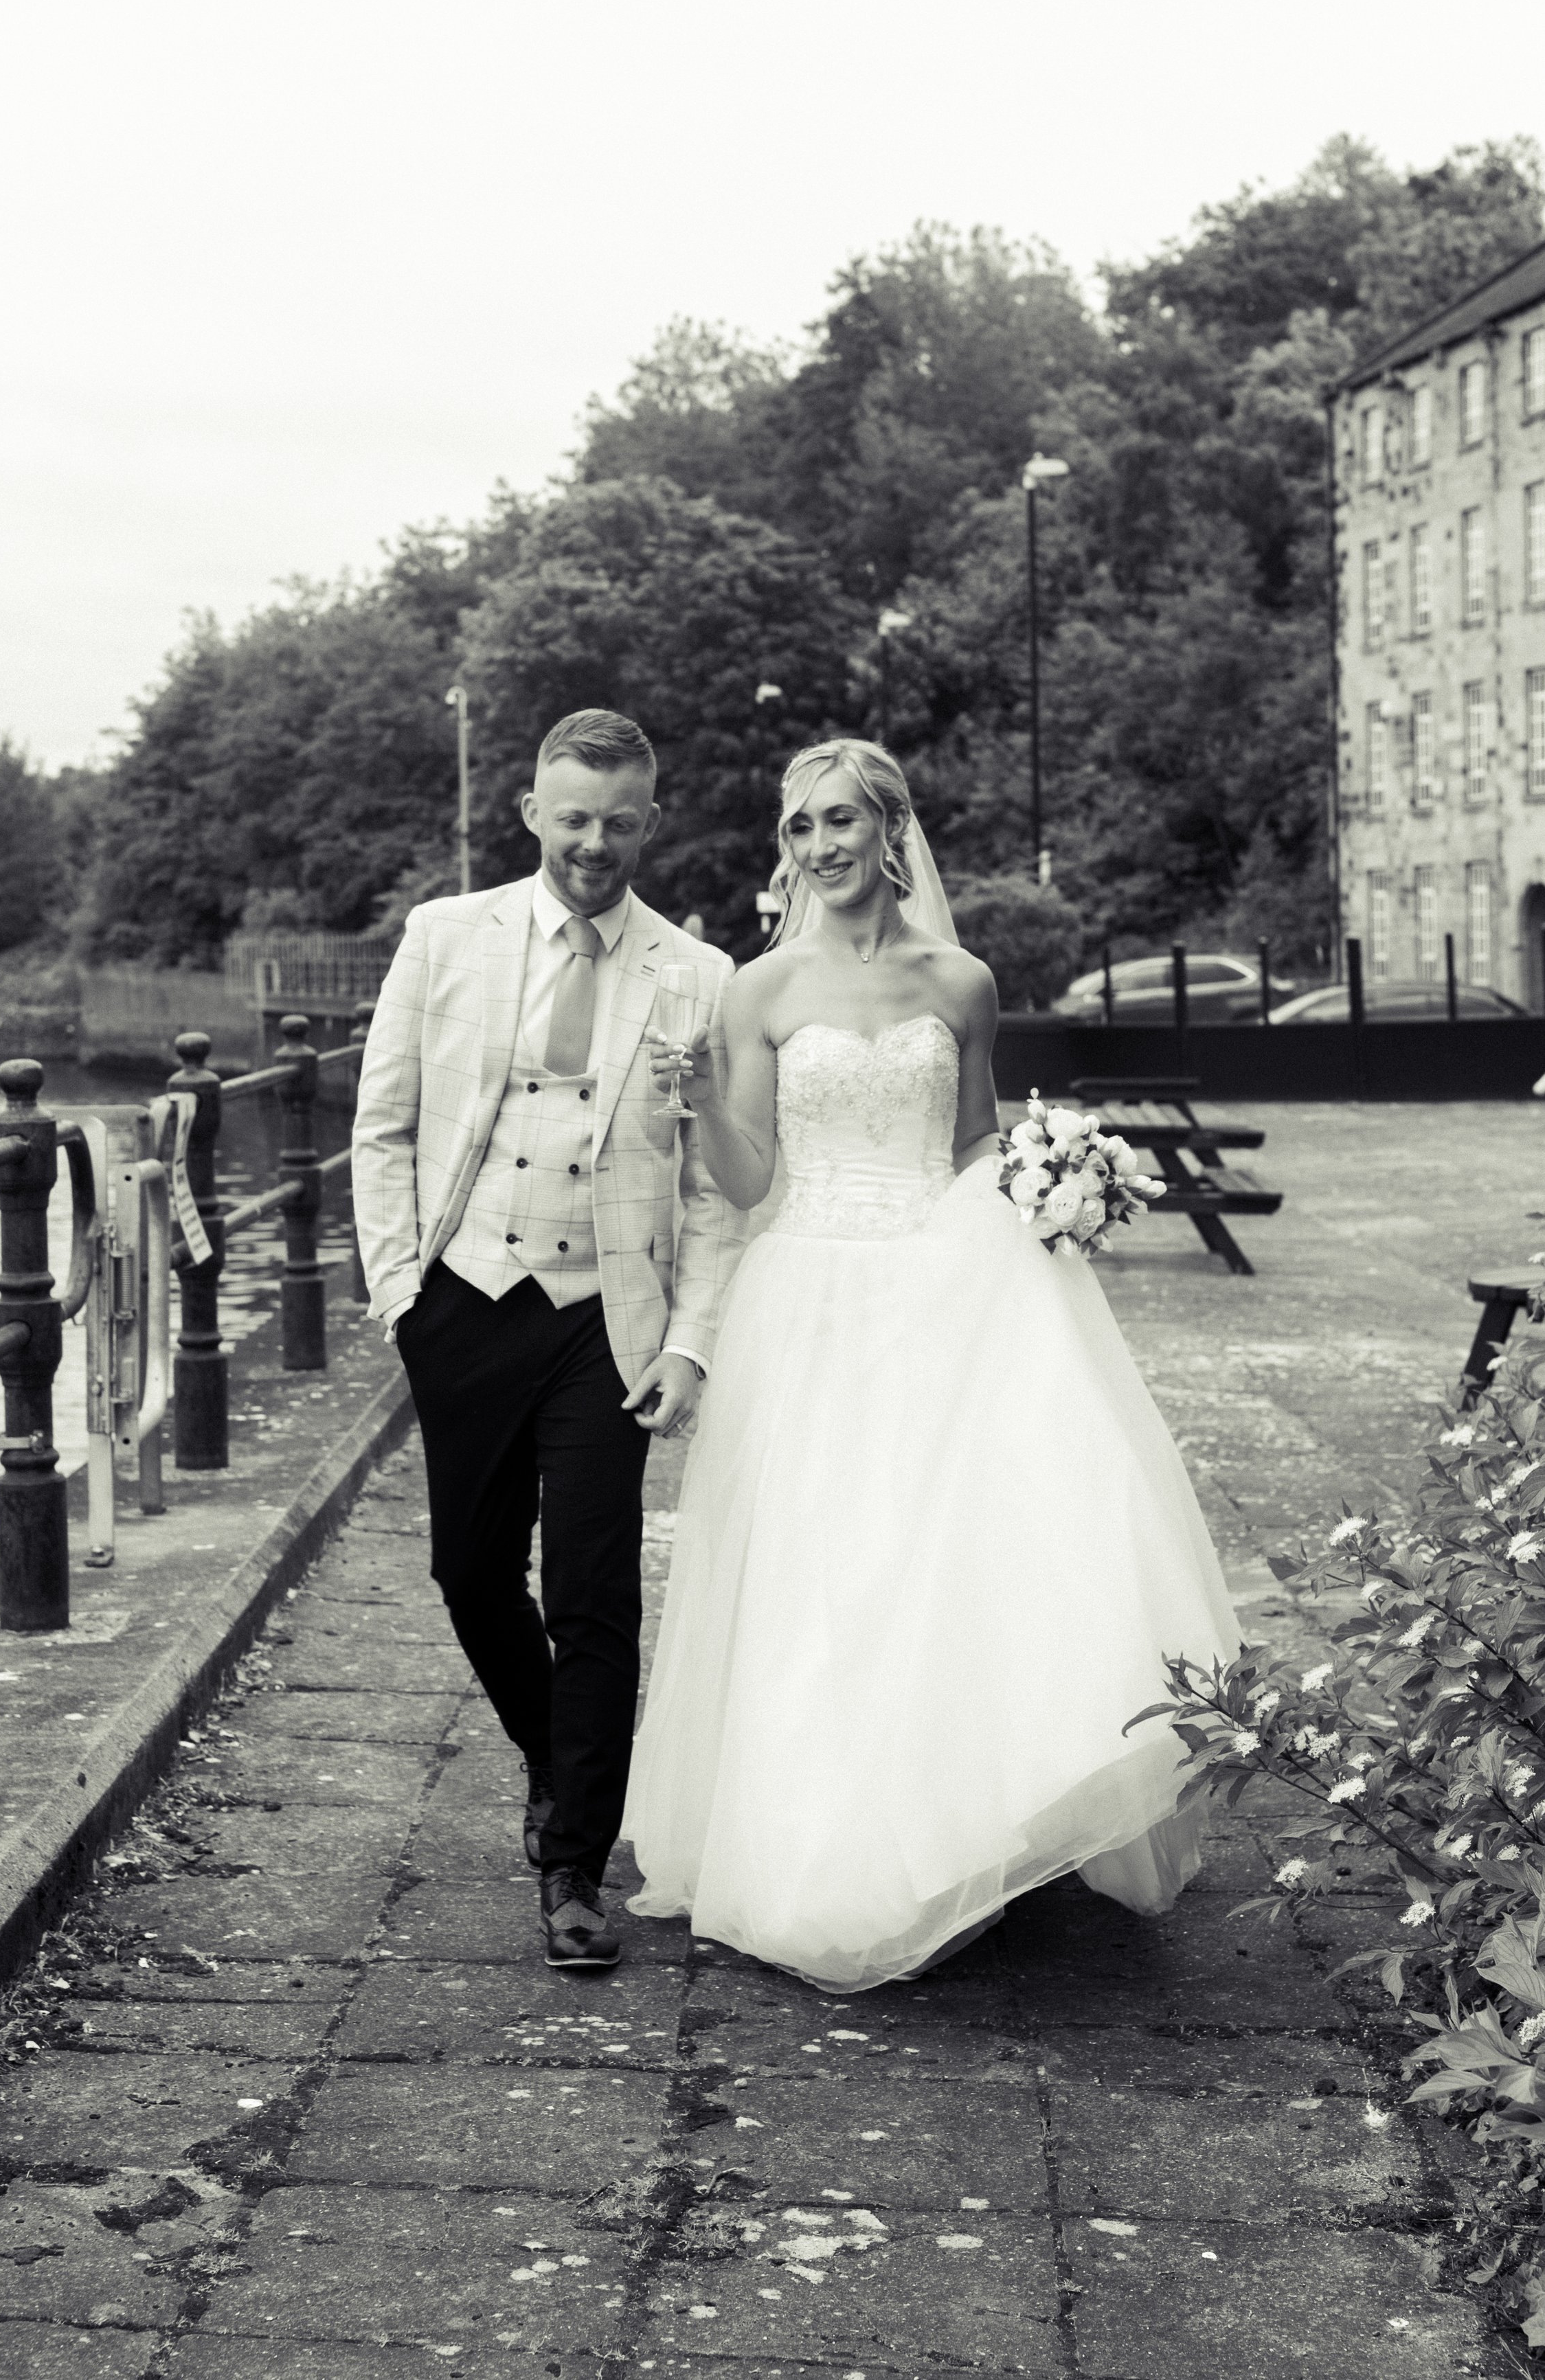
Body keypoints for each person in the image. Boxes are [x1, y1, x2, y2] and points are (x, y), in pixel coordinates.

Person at [622, 737, 1240, 1991]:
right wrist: (695, 1108)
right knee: (824, 1567)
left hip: (947, 1280)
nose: (819, 848)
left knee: (948, 1553)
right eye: (799, 830)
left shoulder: (963, 981)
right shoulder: (760, 989)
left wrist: (1048, 1192)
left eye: (840, 821)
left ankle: (964, 1822)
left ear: (893, 829)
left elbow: (972, 1144)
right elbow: (750, 1183)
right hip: (811, 1293)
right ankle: (820, 1844)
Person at [352, 709, 745, 1971]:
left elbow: (709, 1191)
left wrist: (689, 1345)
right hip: (463, 1293)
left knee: (593, 1593)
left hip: (606, 1318)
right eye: (574, 817)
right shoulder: (442, 935)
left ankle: (574, 1859)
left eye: (620, 820)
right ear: (532, 810)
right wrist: (401, 1290)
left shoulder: (701, 975)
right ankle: (557, 1758)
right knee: (470, 1573)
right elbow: (383, 1127)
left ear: (652, 820)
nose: (595, 842)